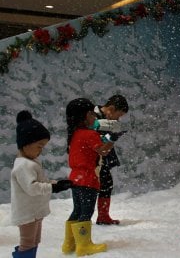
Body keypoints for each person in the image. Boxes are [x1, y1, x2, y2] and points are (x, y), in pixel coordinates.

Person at [11, 111, 72, 258]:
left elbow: (40, 182)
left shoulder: (31, 162)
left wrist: (57, 184)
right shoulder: (23, 165)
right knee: (27, 243)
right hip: (27, 214)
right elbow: (32, 188)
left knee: (34, 241)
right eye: (39, 146)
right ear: (25, 144)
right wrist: (52, 187)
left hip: (35, 211)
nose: (41, 150)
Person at [62, 98, 114, 256]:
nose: (94, 117)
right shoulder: (90, 134)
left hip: (75, 178)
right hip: (87, 179)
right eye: (92, 113)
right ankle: (84, 245)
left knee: (77, 210)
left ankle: (69, 243)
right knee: (86, 212)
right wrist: (113, 139)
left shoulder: (75, 133)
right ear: (85, 116)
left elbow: (94, 145)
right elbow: (103, 151)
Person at [92, 95, 129, 225]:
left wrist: (112, 137)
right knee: (96, 186)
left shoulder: (102, 118)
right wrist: (110, 136)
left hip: (104, 156)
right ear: (111, 109)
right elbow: (95, 139)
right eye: (117, 116)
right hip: (93, 157)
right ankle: (95, 216)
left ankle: (103, 215)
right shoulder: (93, 117)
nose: (117, 119)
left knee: (107, 184)